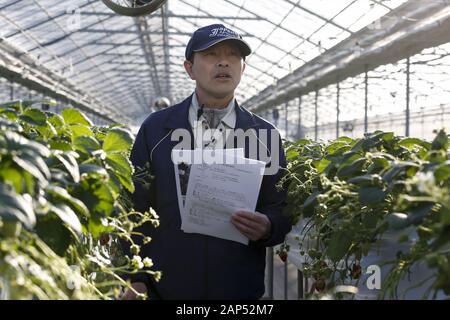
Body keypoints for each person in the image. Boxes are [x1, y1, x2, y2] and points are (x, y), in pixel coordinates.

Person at [121, 23, 292, 300]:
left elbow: (280, 205)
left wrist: (269, 226)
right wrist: (136, 276)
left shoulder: (264, 135)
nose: (224, 61)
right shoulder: (156, 130)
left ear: (243, 68)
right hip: (164, 288)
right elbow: (134, 207)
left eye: (233, 55)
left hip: (238, 290)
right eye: (211, 54)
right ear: (189, 68)